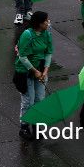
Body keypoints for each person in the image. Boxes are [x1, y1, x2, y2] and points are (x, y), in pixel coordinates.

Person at [15, 11, 52, 140]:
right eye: (46, 21)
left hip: (41, 71)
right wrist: (35, 71)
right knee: (28, 101)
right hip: (26, 72)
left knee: (39, 99)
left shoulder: (47, 33)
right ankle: (24, 126)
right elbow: (23, 56)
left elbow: (48, 52)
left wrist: (45, 70)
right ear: (39, 23)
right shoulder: (27, 35)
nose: (48, 23)